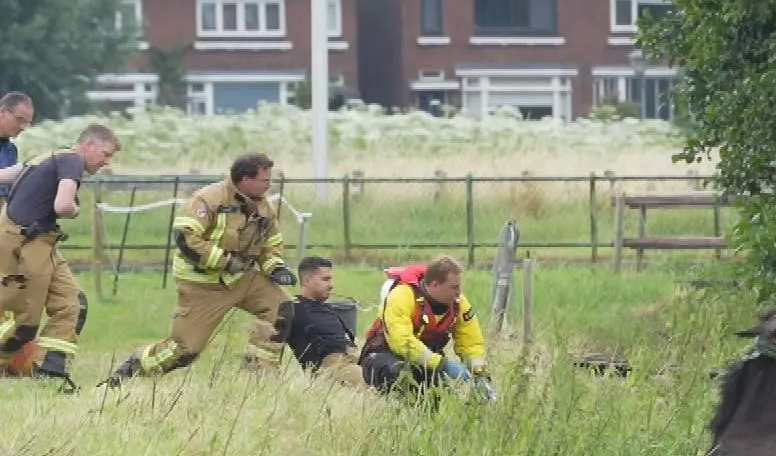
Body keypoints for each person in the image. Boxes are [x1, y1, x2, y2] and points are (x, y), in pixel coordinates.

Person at [105, 152, 295, 385]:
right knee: (184, 350)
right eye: (265, 180)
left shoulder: (265, 208)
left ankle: (259, 375)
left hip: (242, 278)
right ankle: (133, 368)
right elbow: (186, 239)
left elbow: (271, 245)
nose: (269, 185)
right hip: (203, 284)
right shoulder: (207, 199)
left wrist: (276, 268)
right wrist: (225, 261)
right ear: (246, 179)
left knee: (283, 310)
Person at [0, 125, 119, 387]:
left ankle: (51, 374)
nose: (106, 162)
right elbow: (63, 206)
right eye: (105, 154)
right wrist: (76, 209)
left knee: (72, 304)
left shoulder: (49, 157)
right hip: (25, 245)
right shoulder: (73, 160)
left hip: (41, 242)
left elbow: (6, 175)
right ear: (88, 144)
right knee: (24, 322)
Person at [359, 255, 489, 394]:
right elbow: (402, 343)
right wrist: (443, 365)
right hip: (384, 356)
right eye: (454, 287)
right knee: (397, 374)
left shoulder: (458, 303)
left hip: (425, 361)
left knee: (441, 396)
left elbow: (471, 343)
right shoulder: (402, 296)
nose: (459, 292)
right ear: (435, 284)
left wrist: (478, 374)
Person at [274, 256, 364, 385]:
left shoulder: (327, 309)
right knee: (372, 380)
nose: (332, 285)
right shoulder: (292, 308)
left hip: (356, 360)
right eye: (325, 279)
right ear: (307, 280)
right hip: (332, 370)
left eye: (331, 279)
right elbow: (272, 345)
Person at [0, 93, 33, 185]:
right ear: (3, 112)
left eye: (27, 123)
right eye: (19, 119)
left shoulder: (11, 150)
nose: (23, 127)